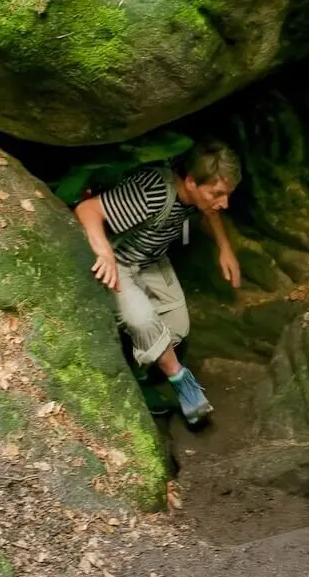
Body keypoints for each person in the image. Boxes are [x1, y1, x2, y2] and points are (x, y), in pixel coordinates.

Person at [74, 139, 242, 425]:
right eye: (217, 193)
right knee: (142, 320)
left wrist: (225, 248)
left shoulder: (195, 198)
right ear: (190, 182)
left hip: (151, 260)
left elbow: (209, 212)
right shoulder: (150, 192)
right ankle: (182, 383)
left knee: (177, 327)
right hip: (120, 260)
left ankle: (140, 365)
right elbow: (88, 211)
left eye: (226, 194)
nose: (223, 202)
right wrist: (104, 253)